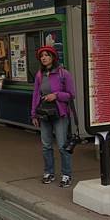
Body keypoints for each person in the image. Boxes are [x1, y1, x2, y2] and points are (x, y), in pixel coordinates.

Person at [30, 45, 76, 188]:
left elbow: (71, 94)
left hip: (60, 113)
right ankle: (49, 172)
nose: (44, 58)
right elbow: (36, 95)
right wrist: (33, 114)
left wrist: (55, 95)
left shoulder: (64, 74)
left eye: (47, 55)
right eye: (42, 56)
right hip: (44, 114)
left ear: (53, 57)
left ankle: (66, 174)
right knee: (46, 145)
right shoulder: (39, 75)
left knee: (62, 145)